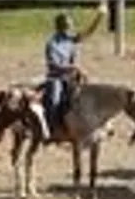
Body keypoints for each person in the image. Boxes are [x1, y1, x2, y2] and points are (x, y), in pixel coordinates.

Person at [42, 9, 104, 140]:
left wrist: (100, 16)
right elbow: (53, 65)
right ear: (59, 27)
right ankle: (50, 129)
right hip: (56, 78)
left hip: (72, 77)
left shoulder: (71, 39)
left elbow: (88, 32)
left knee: (94, 93)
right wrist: (73, 67)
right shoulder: (52, 44)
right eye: (67, 26)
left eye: (70, 25)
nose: (70, 28)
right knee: (54, 98)